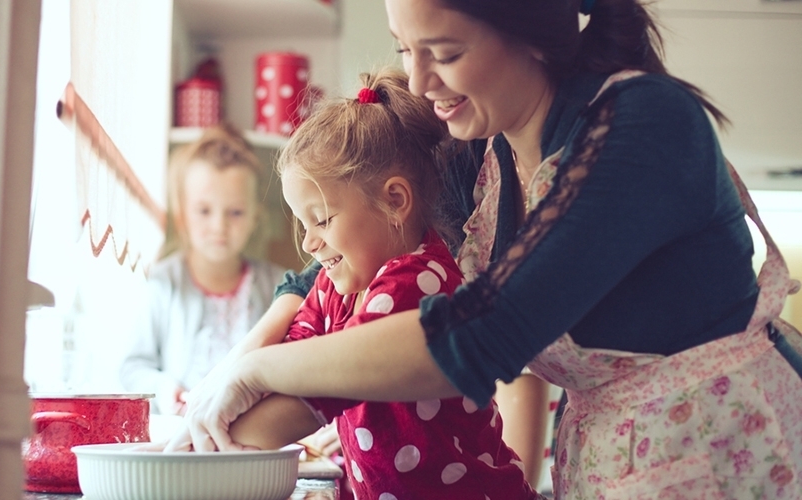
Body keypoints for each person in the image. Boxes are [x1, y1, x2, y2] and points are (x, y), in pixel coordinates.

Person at [174, 0, 802, 498]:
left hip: (724, 451)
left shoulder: (643, 125)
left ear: (529, 32)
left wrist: (256, 371)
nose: (419, 81)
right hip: (614, 461)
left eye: (443, 52)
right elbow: (327, 263)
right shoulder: (480, 149)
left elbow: (477, 337)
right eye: (404, 49)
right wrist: (229, 381)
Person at [217, 68, 539, 500]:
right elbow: (292, 354)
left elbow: (319, 388)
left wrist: (208, 436)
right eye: (302, 223)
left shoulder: (416, 282)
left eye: (323, 220)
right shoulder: (338, 286)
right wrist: (213, 416)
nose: (310, 243)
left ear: (395, 201)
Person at [119, 123, 287, 415]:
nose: (218, 226)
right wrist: (165, 390)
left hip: (253, 436)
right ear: (183, 215)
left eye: (235, 212)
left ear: (254, 217)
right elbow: (133, 366)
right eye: (204, 211)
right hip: (181, 435)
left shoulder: (279, 287)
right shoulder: (163, 282)